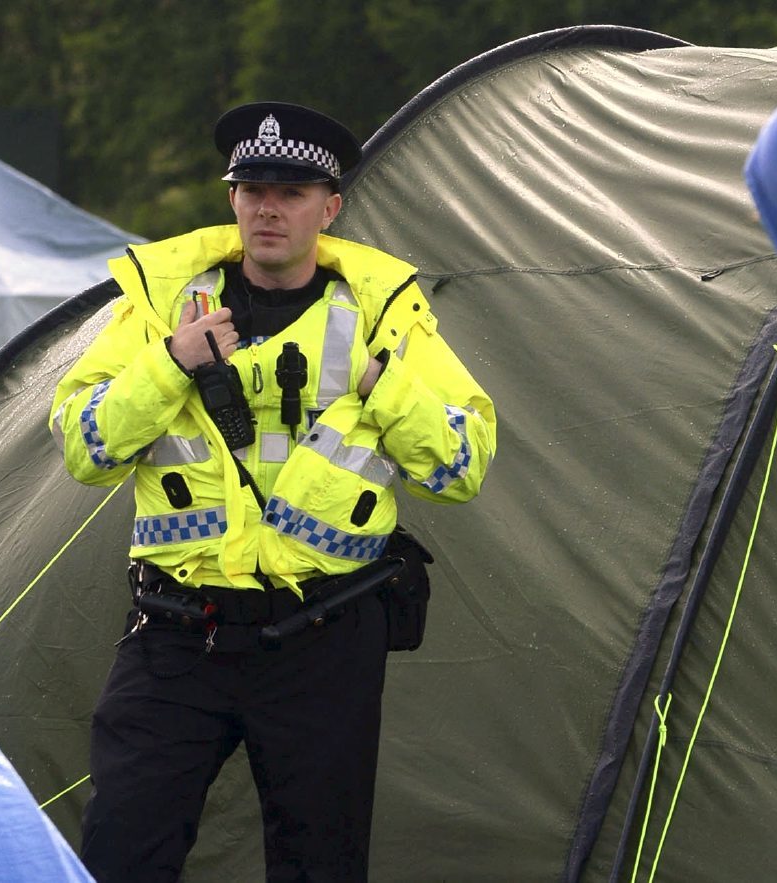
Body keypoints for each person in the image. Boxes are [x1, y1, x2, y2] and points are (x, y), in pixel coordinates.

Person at [49, 102, 497, 881]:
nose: (268, 207)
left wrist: (381, 387)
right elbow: (85, 447)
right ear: (231, 200)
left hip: (324, 636)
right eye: (252, 187)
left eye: (291, 192)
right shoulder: (162, 306)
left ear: (330, 206)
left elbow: (461, 465)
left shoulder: (382, 313)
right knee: (122, 848)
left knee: (320, 862)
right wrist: (170, 364)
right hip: (179, 631)